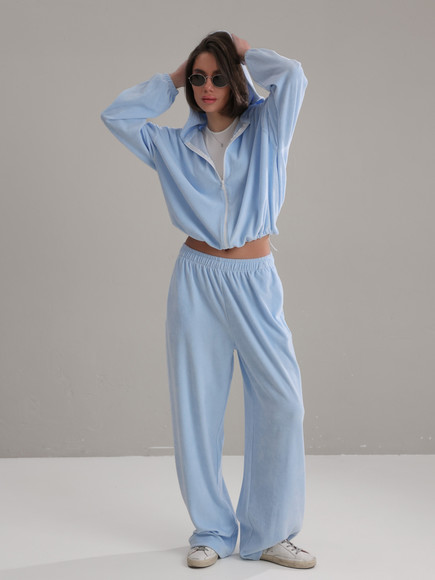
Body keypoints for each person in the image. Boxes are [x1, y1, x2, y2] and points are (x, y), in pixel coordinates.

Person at [101, 31, 316, 570]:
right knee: (197, 408)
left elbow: (292, 76)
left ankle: (269, 533)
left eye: (218, 76)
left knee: (283, 403)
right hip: (197, 279)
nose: (207, 86)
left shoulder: (267, 127)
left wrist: (242, 53)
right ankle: (213, 531)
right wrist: (173, 79)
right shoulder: (173, 145)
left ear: (236, 78)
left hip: (254, 279)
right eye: (199, 78)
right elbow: (117, 116)